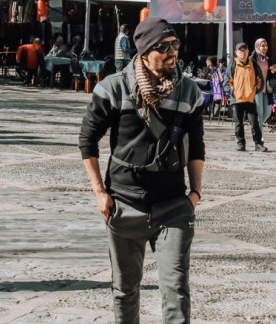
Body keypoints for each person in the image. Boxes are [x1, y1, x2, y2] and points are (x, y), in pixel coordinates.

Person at [78, 16, 205, 324]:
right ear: (145, 52)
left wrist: (195, 194)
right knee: (125, 291)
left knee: (176, 291)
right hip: (124, 205)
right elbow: (87, 141)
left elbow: (197, 147)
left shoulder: (188, 93)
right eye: (164, 47)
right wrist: (99, 192)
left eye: (175, 45)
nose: (172, 52)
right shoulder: (113, 88)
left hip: (173, 206)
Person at [224, 42, 266, 152]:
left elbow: (260, 81)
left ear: (248, 52)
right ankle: (241, 144)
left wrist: (254, 91)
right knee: (238, 123)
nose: (242, 53)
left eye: (244, 50)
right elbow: (226, 84)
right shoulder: (232, 65)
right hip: (236, 100)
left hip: (250, 99)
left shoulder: (254, 64)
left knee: (254, 123)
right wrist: (233, 92)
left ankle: (258, 144)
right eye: (240, 51)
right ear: (236, 53)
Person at [253, 38, 276, 129]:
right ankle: (259, 138)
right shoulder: (253, 58)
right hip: (257, 88)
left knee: (267, 112)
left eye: (266, 45)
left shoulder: (269, 58)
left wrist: (274, 71)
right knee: (260, 113)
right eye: (262, 45)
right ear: (258, 46)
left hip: (267, 88)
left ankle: (255, 128)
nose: (265, 47)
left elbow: (272, 75)